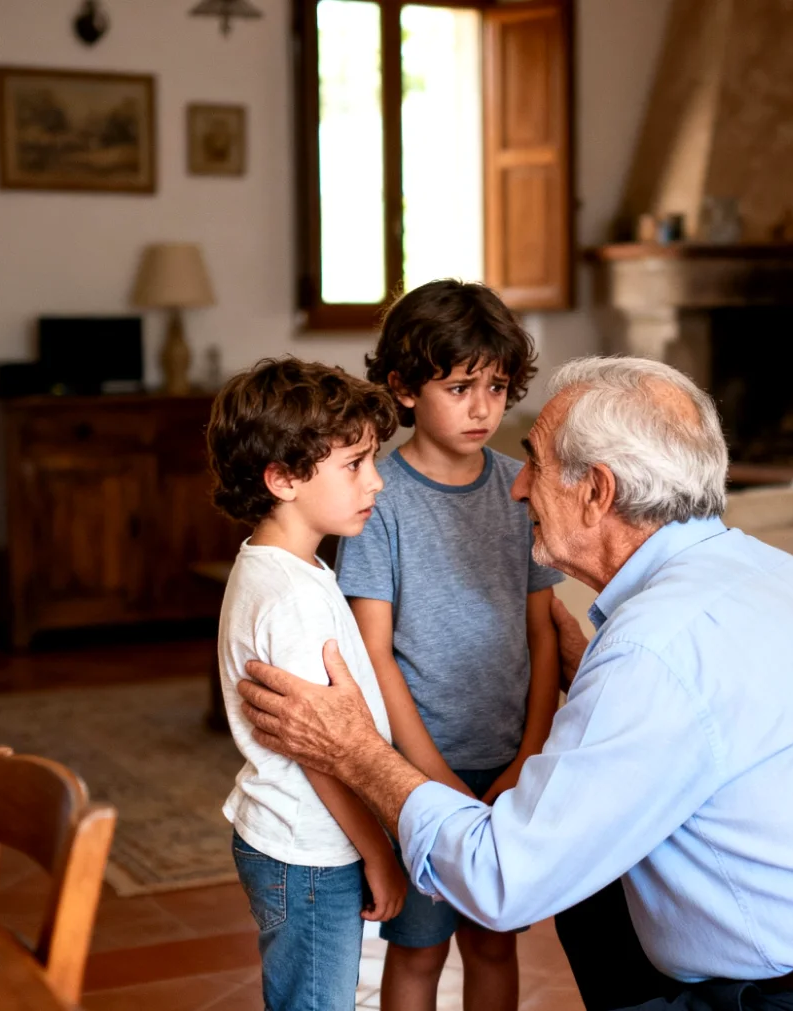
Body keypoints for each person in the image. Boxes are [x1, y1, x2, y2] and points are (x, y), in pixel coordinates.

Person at [236, 355, 793, 1011]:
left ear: (597, 491)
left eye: (535, 462)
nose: (517, 486)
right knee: (589, 888)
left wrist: (359, 752)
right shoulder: (767, 571)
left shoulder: (656, 647)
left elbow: (499, 880)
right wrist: (601, 682)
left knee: (559, 879)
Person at [336, 279, 565, 1011]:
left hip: (508, 764)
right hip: (417, 767)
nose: (482, 408)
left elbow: (542, 631)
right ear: (404, 388)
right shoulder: (377, 501)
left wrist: (529, 755)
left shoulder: (522, 488)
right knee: (419, 948)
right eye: (459, 387)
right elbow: (373, 654)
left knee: (495, 942)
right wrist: (428, 780)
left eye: (496, 387)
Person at [205, 357, 407, 1011]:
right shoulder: (289, 595)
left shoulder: (283, 566)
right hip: (310, 852)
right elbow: (317, 748)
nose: (375, 480)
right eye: (354, 464)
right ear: (283, 478)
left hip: (298, 840)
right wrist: (376, 849)